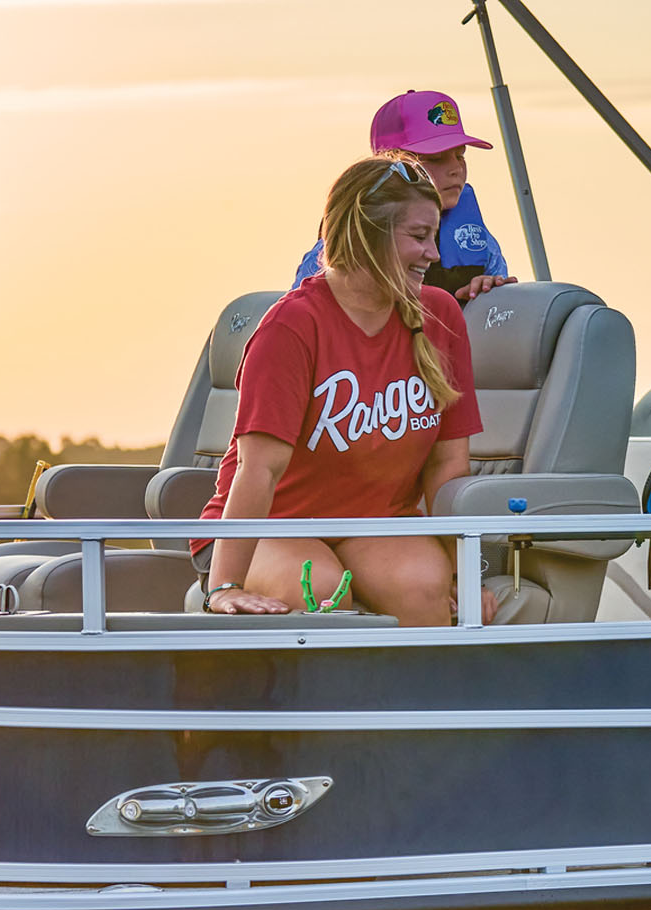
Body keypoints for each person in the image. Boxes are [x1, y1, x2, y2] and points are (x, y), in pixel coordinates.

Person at [196, 154, 494, 627]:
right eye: (418, 237)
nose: (434, 255)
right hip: (272, 528)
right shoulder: (292, 326)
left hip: (376, 524)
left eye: (434, 236)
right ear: (367, 237)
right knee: (322, 591)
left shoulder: (441, 315)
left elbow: (447, 465)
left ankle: (428, 699)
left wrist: (463, 571)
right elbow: (259, 470)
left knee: (422, 591)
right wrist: (224, 586)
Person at [292, 90, 516, 304]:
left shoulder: (477, 239)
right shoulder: (350, 238)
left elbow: (499, 309)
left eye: (460, 156)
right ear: (387, 164)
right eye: (437, 158)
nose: (456, 169)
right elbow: (305, 307)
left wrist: (488, 294)